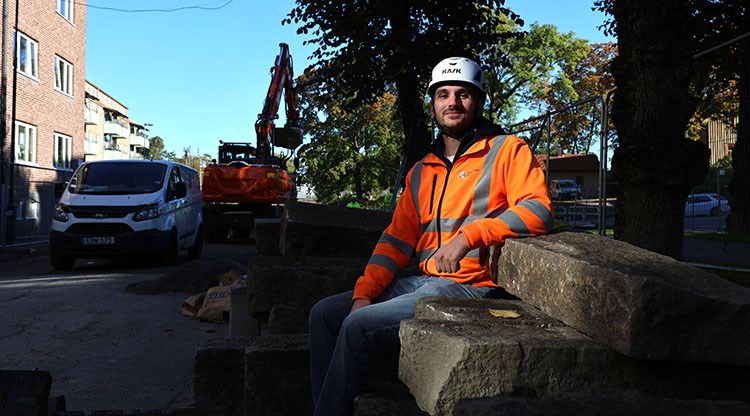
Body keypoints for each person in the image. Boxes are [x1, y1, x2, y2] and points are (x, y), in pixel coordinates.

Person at [309, 56, 554, 416]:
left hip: (472, 287)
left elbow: (539, 211)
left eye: (463, 94)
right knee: (325, 314)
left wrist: (469, 236)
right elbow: (395, 241)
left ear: (479, 101)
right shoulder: (423, 169)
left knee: (358, 326)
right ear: (433, 105)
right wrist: (365, 293)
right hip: (424, 282)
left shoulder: (508, 150)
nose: (452, 102)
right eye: (443, 94)